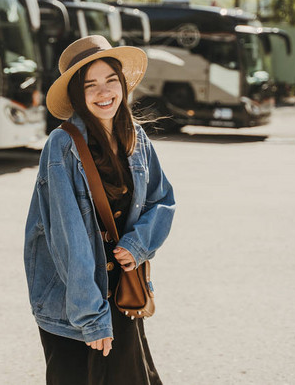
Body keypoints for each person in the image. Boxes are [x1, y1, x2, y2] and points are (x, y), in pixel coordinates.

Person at [24, 35, 176, 385]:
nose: (103, 92)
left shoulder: (136, 136)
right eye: (90, 85)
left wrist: (137, 245)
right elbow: (68, 240)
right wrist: (90, 318)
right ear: (78, 95)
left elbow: (162, 199)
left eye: (110, 80)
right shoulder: (62, 146)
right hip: (75, 299)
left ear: (122, 84)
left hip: (121, 288)